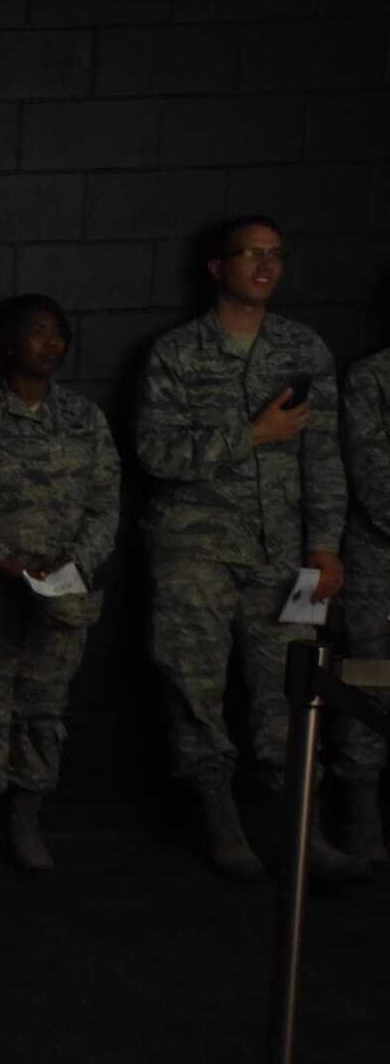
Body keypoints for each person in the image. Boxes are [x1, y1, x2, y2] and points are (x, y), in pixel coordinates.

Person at [135, 215, 361, 883]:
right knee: (194, 691)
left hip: (280, 557)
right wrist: (251, 434)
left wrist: (324, 546)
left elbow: (324, 458)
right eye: (250, 254)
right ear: (216, 267)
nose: (264, 265)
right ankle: (221, 827)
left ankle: (302, 834)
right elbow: (155, 452)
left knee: (290, 692)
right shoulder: (176, 353)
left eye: (275, 255)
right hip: (192, 554)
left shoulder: (303, 349)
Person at [0, 295, 121, 878]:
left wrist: (74, 568)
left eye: (59, 333)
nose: (51, 343)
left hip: (62, 596)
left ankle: (26, 821)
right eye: (38, 332)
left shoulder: (86, 419)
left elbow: (106, 506)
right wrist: (3, 564)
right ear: (10, 342)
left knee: (41, 711)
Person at [329, 342, 390, 869]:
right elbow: (374, 479)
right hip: (378, 568)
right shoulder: (372, 378)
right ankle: (360, 815)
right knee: (370, 686)